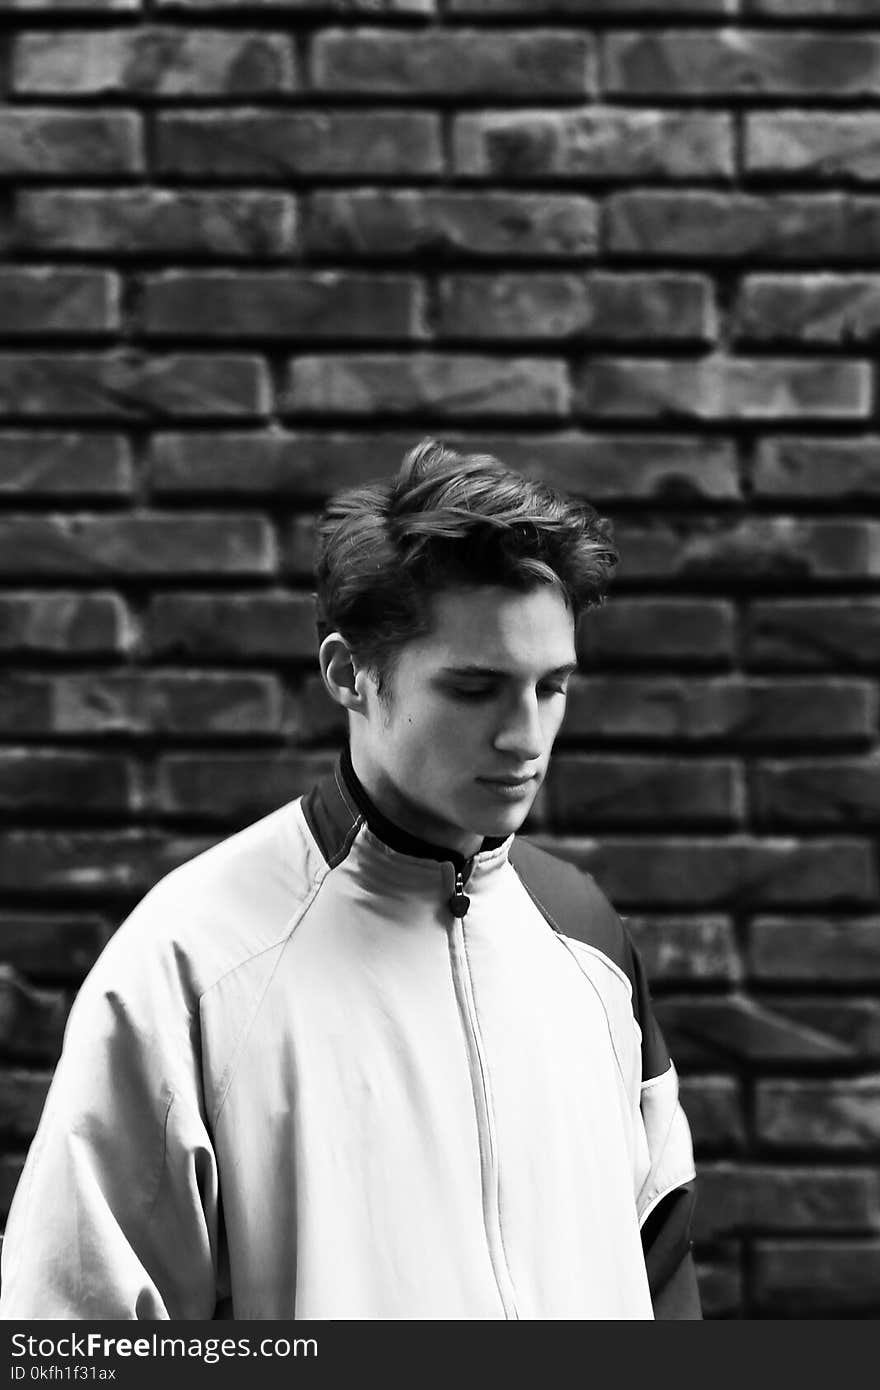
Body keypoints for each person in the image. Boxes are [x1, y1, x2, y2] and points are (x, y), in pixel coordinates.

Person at [0, 439, 700, 1320]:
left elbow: (662, 1265)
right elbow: (71, 1333)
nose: (526, 737)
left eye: (550, 688)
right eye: (475, 689)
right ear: (348, 674)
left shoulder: (585, 936)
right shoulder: (192, 962)